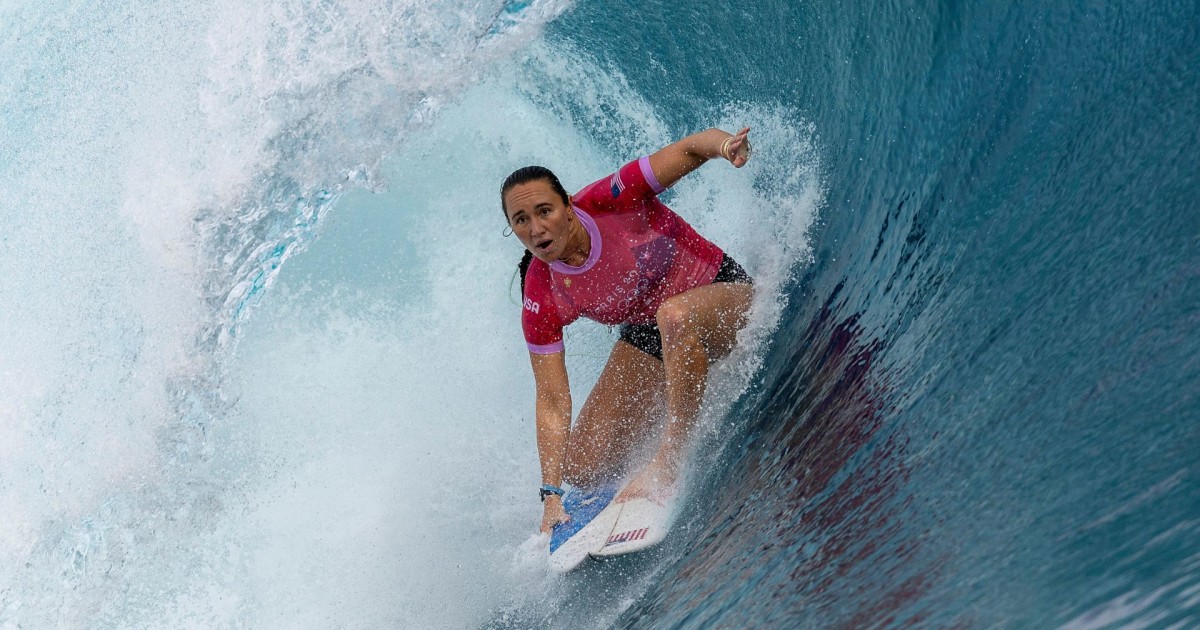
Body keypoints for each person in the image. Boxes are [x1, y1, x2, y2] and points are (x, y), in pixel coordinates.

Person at [501, 127, 755, 534]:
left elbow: (689, 149)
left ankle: (668, 462)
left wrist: (725, 147)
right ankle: (665, 420)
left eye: (544, 211)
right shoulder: (542, 291)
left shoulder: (611, 200)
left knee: (674, 316)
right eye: (520, 220)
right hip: (650, 334)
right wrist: (551, 494)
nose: (535, 228)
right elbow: (551, 398)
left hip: (719, 293)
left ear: (567, 205)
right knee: (583, 467)